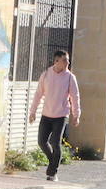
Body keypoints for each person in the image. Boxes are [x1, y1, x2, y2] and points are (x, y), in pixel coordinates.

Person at [29, 49, 81, 181]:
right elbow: (38, 94)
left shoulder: (70, 77)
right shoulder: (46, 75)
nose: (68, 62)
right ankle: (53, 161)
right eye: (65, 60)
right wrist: (33, 112)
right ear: (56, 61)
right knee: (41, 141)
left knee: (55, 142)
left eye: (68, 60)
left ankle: (52, 173)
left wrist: (76, 114)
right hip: (46, 115)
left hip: (61, 116)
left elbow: (75, 97)